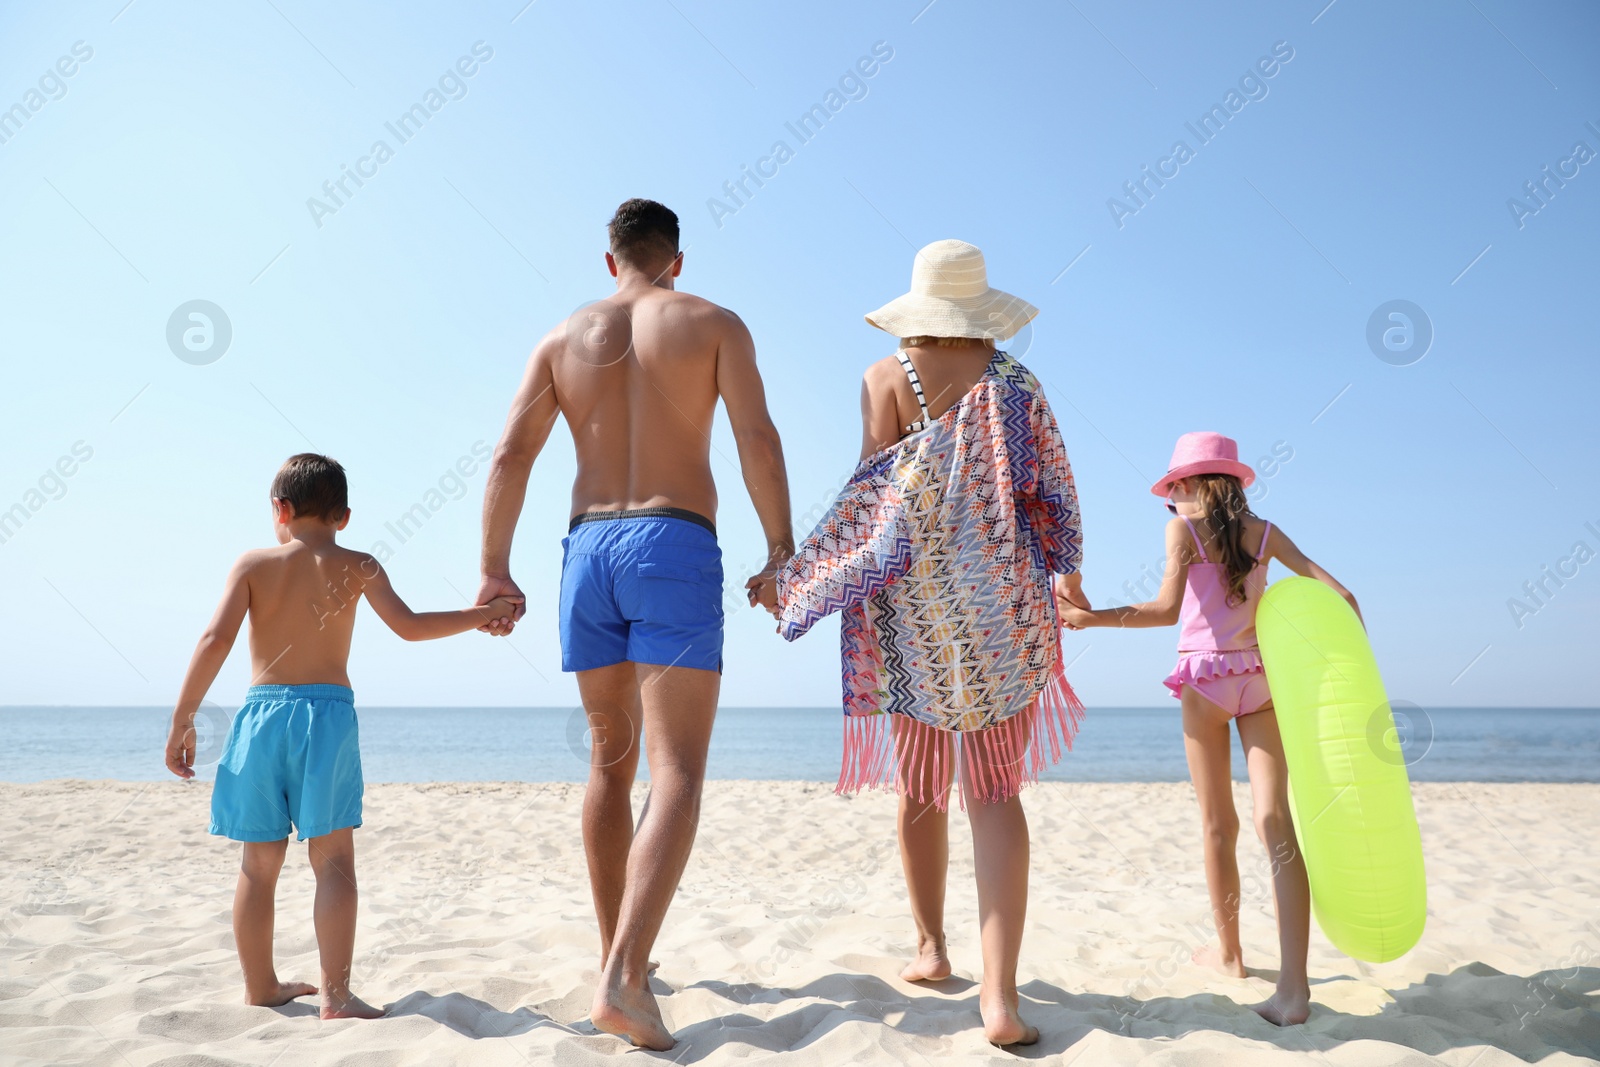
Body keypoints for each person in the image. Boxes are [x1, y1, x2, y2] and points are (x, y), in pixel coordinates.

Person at [476, 198, 792, 1050]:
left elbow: (511, 453)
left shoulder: (560, 338)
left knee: (607, 767)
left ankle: (623, 958)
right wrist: (781, 547)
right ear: (676, 260)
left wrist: (493, 568)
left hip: (586, 550)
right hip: (672, 541)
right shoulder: (712, 321)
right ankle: (623, 974)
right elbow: (755, 436)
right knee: (678, 771)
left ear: (607, 259)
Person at [754, 239, 1087, 1047]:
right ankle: (1000, 998)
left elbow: (873, 498)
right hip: (1000, 606)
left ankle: (933, 948)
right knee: (997, 794)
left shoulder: (885, 378)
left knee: (922, 783)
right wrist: (1065, 575)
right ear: (980, 310)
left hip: (912, 612)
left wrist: (798, 573)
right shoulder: (1016, 385)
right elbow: (1053, 495)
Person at [162, 453, 521, 1019]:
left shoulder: (253, 563)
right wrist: (483, 615)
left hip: (261, 718)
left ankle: (260, 986)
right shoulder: (361, 565)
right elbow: (411, 628)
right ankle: (336, 994)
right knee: (333, 865)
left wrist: (183, 718)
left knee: (258, 866)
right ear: (344, 516)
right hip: (326, 719)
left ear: (279, 509)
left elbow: (214, 639)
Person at [1057, 431, 1360, 1026]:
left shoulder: (1183, 532)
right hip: (1262, 682)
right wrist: (1349, 678)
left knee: (1219, 825)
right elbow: (1342, 595)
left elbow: (1165, 612)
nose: (1172, 505)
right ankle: (1294, 990)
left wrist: (1089, 619)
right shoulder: (1266, 533)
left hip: (1204, 684)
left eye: (1174, 493)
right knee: (1277, 824)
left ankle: (1230, 956)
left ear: (1191, 486)